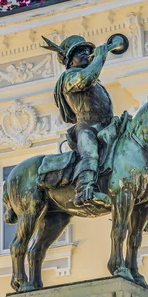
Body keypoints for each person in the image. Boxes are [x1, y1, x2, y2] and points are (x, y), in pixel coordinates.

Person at [42, 35, 113, 207]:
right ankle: (84, 189)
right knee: (90, 152)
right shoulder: (69, 77)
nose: (86, 54)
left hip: (106, 126)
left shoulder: (96, 81)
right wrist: (100, 58)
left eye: (88, 51)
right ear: (70, 60)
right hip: (87, 127)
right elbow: (85, 79)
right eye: (80, 51)